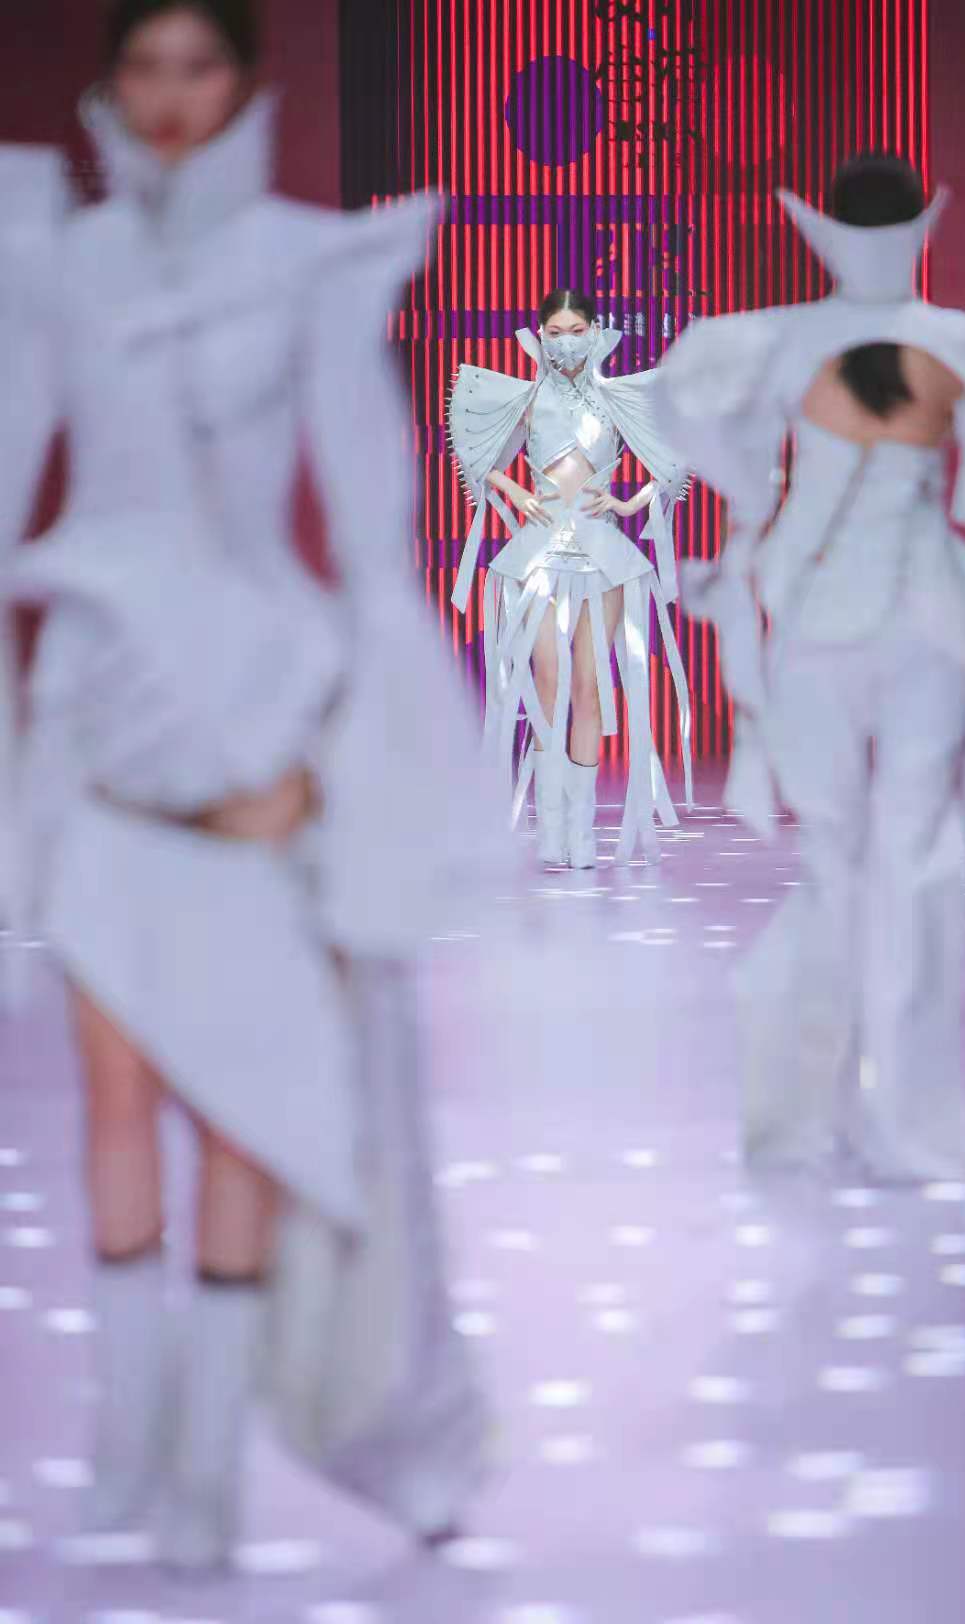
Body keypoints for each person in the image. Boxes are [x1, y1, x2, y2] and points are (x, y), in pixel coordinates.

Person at [0, 0, 501, 1571]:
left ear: (244, 82)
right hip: (102, 711)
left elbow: (365, 515)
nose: (168, 96)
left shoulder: (305, 260)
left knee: (243, 1102)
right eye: (142, 67)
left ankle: (206, 1468)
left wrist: (379, 740)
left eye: (197, 65)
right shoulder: (58, 260)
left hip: (259, 722)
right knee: (117, 1095)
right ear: (109, 84)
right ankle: (128, 1445)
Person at [653, 153, 965, 1183]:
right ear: (921, 226)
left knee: (840, 865)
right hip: (928, 618)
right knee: (913, 858)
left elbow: (738, 476)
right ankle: (902, 1118)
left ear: (825, 229)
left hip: (814, 622)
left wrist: (746, 558)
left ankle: (817, 1110)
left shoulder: (771, 343)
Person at [449, 289, 694, 866]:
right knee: (547, 685)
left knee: (588, 686)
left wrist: (630, 504)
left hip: (602, 553)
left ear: (594, 331)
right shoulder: (527, 398)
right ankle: (550, 830)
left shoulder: (617, 397)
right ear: (540, 335)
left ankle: (581, 832)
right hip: (537, 553)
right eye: (554, 332)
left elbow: (676, 454)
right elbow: (477, 453)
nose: (565, 342)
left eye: (575, 330)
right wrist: (513, 490)